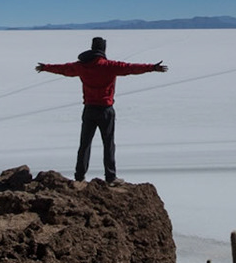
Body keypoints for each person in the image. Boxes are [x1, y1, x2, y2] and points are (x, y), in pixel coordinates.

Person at [34, 36, 166, 182]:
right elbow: (131, 68)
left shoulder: (81, 66)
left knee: (85, 144)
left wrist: (46, 67)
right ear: (103, 49)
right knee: (108, 143)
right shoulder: (109, 65)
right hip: (106, 110)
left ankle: (79, 176)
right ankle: (110, 177)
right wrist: (152, 68)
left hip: (89, 109)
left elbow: (64, 69)